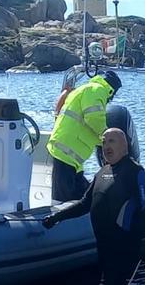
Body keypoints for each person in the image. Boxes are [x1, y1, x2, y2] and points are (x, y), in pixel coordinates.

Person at [42, 128, 145, 285]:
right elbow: (85, 204)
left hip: (125, 245)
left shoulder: (135, 172)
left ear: (124, 146)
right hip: (104, 245)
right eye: (104, 143)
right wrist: (57, 217)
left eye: (111, 141)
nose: (106, 147)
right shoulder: (102, 172)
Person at [47, 70, 122, 202]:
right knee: (62, 199)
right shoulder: (97, 89)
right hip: (67, 151)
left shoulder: (85, 89)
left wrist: (102, 141)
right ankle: (57, 219)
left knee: (83, 194)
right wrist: (109, 138)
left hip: (70, 153)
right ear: (112, 90)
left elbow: (85, 123)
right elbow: (94, 118)